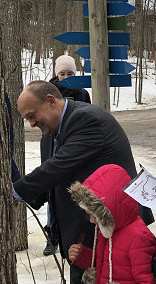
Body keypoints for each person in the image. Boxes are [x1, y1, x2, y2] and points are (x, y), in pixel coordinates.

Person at [13, 80, 149, 284]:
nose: (31, 123)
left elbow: (61, 166)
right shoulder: (53, 133)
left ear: (51, 101)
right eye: (26, 119)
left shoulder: (89, 121)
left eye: (33, 115)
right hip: (81, 229)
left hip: (109, 226)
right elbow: (55, 174)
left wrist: (18, 190)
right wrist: (33, 197)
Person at [43, 55, 89, 256]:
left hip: (78, 146)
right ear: (56, 73)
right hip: (53, 146)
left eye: (70, 73)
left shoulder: (82, 93)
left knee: (78, 190)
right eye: (62, 73)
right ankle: (52, 235)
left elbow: (90, 115)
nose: (66, 77)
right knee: (54, 191)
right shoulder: (47, 93)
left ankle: (78, 234)